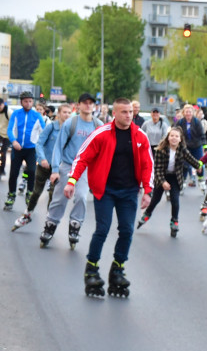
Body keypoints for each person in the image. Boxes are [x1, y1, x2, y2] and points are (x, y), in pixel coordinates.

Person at [63, 98, 154, 298]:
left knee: (127, 231)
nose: (129, 115)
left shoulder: (140, 136)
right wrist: (72, 181)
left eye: (130, 112)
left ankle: (118, 269)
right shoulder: (102, 134)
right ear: (115, 113)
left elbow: (148, 164)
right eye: (124, 112)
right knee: (102, 229)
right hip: (105, 190)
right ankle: (92, 268)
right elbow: (82, 157)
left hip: (129, 191)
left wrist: (148, 190)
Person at [40, 93, 105, 248]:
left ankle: (75, 226)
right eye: (85, 103)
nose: (88, 105)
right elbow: (58, 147)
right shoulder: (71, 123)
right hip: (68, 166)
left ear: (94, 106)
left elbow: (103, 151)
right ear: (79, 105)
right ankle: (50, 226)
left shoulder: (98, 125)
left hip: (86, 169)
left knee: (82, 197)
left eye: (91, 103)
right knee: (59, 199)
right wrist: (55, 169)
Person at [12, 103, 70, 231]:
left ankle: (50, 221)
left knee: (53, 195)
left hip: (59, 169)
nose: (67, 115)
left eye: (69, 113)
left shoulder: (70, 130)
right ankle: (27, 214)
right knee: (36, 192)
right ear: (59, 113)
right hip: (44, 165)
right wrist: (42, 158)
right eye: (64, 112)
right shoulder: (51, 127)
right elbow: (39, 143)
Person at [137, 127, 203, 236]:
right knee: (155, 199)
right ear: (168, 138)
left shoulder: (182, 150)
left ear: (180, 139)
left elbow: (193, 161)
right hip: (161, 175)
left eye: (176, 136)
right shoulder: (160, 150)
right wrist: (163, 182)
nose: (174, 138)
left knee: (175, 199)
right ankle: (147, 214)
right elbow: (157, 169)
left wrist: (201, 164)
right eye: (172, 136)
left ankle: (174, 221)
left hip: (175, 177)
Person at [6, 91, 46, 210]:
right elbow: (10, 129)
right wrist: (13, 141)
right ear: (21, 102)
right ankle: (11, 195)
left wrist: (42, 145)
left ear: (32, 102)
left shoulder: (37, 116)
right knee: (14, 173)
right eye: (25, 101)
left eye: (30, 101)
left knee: (32, 172)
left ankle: (29, 193)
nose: (28, 104)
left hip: (31, 150)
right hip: (17, 149)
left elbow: (44, 132)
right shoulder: (16, 114)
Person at [175, 104, 206, 186]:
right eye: (186, 112)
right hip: (185, 147)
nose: (188, 113)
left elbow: (202, 134)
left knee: (199, 163)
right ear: (184, 113)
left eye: (190, 112)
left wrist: (205, 146)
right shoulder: (180, 122)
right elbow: (175, 132)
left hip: (196, 146)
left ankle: (200, 179)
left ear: (193, 112)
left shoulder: (197, 122)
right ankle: (183, 180)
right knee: (184, 164)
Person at [0, 97, 11, 180]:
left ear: (3, 104)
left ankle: (2, 169)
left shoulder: (9, 112)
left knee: (3, 152)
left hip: (7, 136)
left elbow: (15, 124)